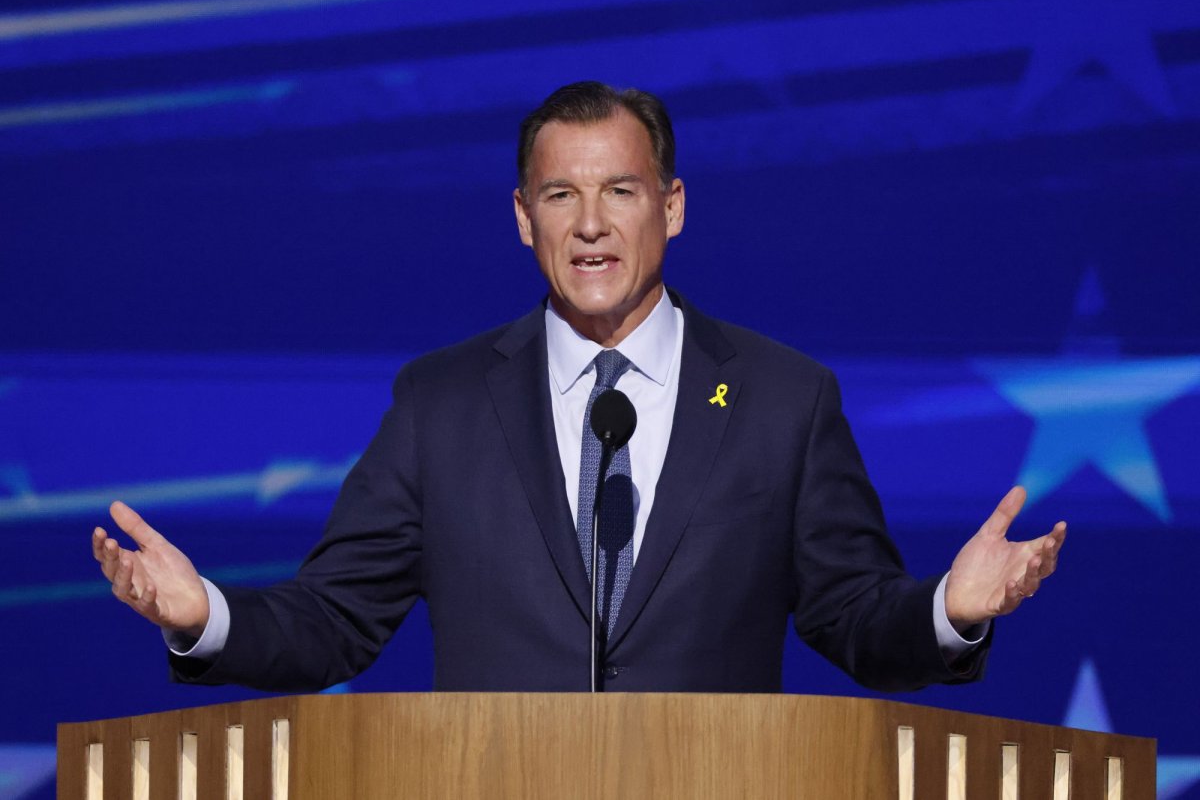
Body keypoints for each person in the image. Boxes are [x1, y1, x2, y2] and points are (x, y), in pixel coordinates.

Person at [92, 82, 1064, 693]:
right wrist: (205, 615)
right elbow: (334, 621)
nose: (590, 223)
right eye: (561, 194)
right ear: (524, 217)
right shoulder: (443, 402)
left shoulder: (781, 397)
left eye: (622, 190)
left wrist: (949, 608)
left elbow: (853, 616)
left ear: (672, 206)